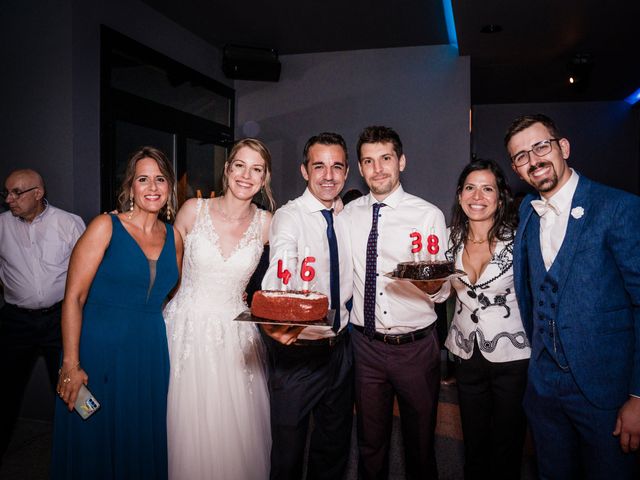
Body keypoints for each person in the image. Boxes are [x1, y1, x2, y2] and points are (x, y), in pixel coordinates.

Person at [505, 113, 640, 479]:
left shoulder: (618, 207)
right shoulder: (527, 214)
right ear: (517, 170)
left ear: (563, 147)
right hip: (544, 388)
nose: (533, 160)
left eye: (541, 147)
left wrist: (639, 397)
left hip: (605, 391)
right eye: (521, 156)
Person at [51, 147, 182, 479]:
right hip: (100, 352)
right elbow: (74, 298)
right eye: (143, 179)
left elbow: (169, 292)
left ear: (169, 187)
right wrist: (70, 363)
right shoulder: (104, 227)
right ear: (131, 187)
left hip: (150, 354)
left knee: (140, 436)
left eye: (160, 179)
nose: (152, 187)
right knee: (95, 437)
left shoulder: (175, 237)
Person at [164, 138, 275, 479]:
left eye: (256, 169)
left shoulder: (269, 222)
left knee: (232, 428)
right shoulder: (192, 210)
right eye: (239, 165)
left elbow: (306, 242)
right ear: (226, 170)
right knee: (182, 422)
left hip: (234, 333)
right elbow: (159, 261)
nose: (246, 175)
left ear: (264, 178)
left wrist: (338, 209)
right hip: (182, 328)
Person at [343, 125, 449, 479]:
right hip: (365, 347)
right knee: (370, 445)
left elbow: (443, 291)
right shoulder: (348, 215)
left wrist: (432, 284)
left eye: (386, 158)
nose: (378, 169)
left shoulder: (428, 215)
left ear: (401, 161)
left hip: (415, 348)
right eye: (369, 161)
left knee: (420, 445)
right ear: (360, 168)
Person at [260, 132, 354, 480]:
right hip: (298, 351)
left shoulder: (348, 215)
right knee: (287, 454)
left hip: (341, 350)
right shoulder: (289, 217)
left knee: (333, 449)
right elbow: (281, 262)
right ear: (304, 170)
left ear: (346, 173)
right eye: (319, 166)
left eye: (336, 167)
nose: (328, 175)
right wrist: (279, 313)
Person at [444, 159, 531, 480]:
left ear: (501, 196)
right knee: (474, 441)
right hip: (466, 355)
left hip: (514, 356)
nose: (477, 196)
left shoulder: (520, 239)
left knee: (507, 444)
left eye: (487, 188)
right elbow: (440, 292)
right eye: (470, 187)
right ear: (459, 194)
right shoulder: (448, 239)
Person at [0, 169, 85, 463]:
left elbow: (88, 272)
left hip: (59, 319)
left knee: (72, 386)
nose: (9, 199)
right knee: (5, 391)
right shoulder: (1, 225)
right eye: (7, 193)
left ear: (38, 193)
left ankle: (86, 449)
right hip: (15, 321)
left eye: (16, 193)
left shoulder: (69, 223)